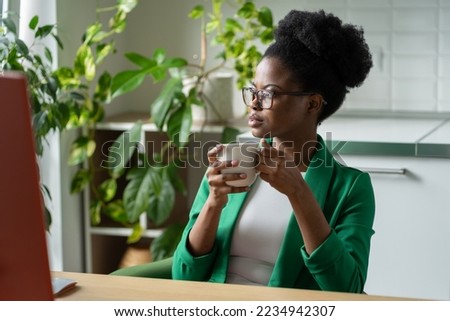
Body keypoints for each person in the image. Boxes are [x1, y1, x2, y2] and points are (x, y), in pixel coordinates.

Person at [172, 9, 375, 293]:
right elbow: (184, 276)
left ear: (312, 104)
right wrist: (213, 203)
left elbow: (346, 289)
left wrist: (299, 193)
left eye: (269, 93)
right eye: (252, 91)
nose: (254, 103)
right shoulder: (233, 162)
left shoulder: (351, 188)